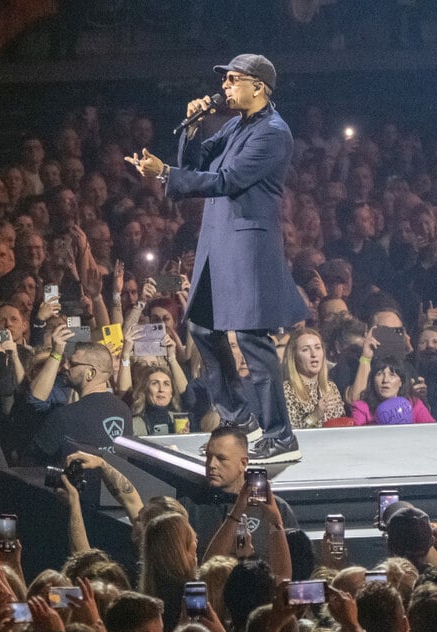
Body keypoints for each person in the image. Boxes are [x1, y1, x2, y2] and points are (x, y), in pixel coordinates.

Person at [126, 54, 307, 463]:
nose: (224, 87)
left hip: (248, 247)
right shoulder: (235, 125)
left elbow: (226, 180)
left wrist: (163, 174)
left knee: (250, 339)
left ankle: (280, 434)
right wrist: (190, 129)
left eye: (232, 80)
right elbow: (197, 163)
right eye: (224, 81)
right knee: (204, 328)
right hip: (217, 240)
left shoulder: (273, 133)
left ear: (258, 86)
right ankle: (239, 416)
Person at [178, 427, 298, 563]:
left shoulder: (275, 509)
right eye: (209, 456)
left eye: (221, 458)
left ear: (243, 463)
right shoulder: (190, 508)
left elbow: (297, 566)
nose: (211, 464)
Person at [31, 340, 133, 463]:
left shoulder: (65, 416)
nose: (65, 366)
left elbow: (33, 461)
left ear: (91, 373)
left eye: (72, 363)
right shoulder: (124, 410)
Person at [282, 327, 346, 428]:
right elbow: (292, 434)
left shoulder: (331, 387)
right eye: (305, 349)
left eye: (317, 347)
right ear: (294, 356)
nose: (314, 354)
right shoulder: (287, 390)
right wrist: (315, 416)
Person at [352, 357, 435, 425]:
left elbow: (431, 430)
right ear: (373, 381)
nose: (385, 380)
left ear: (401, 382)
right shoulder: (361, 408)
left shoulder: (414, 404)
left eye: (392, 375)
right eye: (380, 374)